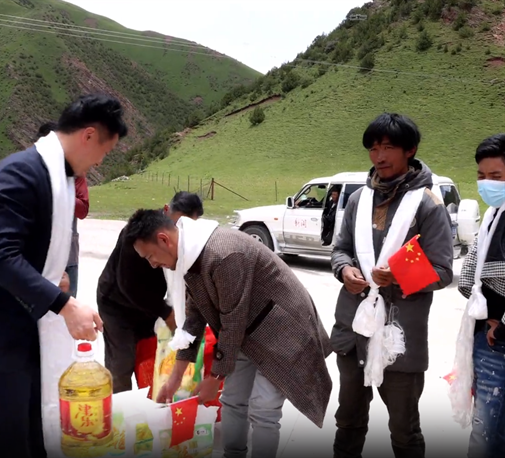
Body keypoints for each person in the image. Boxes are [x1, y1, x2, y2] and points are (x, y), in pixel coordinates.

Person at [0, 94, 127, 458]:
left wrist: (52, 279)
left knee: (36, 431)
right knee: (5, 440)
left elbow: (27, 250)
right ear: (89, 135)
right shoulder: (21, 174)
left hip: (22, 327)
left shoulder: (56, 177)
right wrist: (64, 305)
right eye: (105, 151)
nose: (101, 161)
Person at [126, 208, 332, 458]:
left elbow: (233, 321)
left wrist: (215, 377)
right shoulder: (190, 256)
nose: (152, 264)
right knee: (233, 400)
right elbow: (195, 317)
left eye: (150, 256)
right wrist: (174, 379)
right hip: (248, 331)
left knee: (263, 409)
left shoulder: (222, 254)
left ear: (163, 239)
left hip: (283, 330)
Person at [330, 113, 454, 458]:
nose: (379, 156)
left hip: (399, 337)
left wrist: (398, 276)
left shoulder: (428, 205)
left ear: (410, 150)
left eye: (387, 148)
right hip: (353, 331)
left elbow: (443, 271)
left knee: (403, 430)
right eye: (373, 149)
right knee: (348, 421)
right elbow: (340, 249)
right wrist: (345, 270)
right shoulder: (359, 199)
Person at [96, 191, 204, 393]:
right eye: (178, 223)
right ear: (166, 210)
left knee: (152, 358)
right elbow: (129, 285)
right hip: (117, 305)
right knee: (121, 364)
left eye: (188, 226)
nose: (180, 231)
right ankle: (119, 408)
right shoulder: (139, 234)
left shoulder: (185, 238)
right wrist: (167, 312)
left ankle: (151, 405)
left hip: (149, 304)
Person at [455, 133, 505, 458]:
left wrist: (501, 324)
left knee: (487, 431)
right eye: (481, 175)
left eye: (496, 176)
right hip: (486, 332)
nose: (487, 183)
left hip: (497, 340)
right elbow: (471, 273)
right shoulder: (492, 213)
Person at [65, 175, 89, 297]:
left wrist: (63, 192)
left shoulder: (76, 175)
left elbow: (83, 210)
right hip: (41, 256)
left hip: (68, 255)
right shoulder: (38, 172)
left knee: (70, 301)